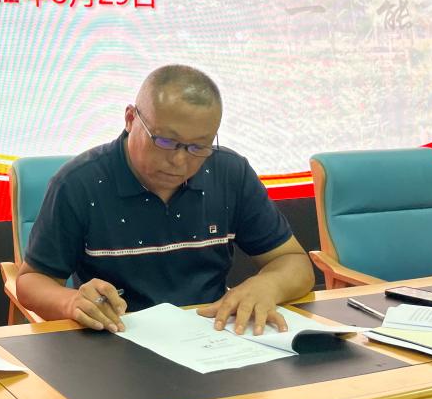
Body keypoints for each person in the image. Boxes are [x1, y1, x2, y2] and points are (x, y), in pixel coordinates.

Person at [16, 65, 314, 336]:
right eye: (166, 142)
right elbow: (32, 282)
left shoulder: (228, 173)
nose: (179, 161)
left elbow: (294, 262)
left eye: (198, 147)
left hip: (212, 335)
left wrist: (267, 285)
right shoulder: (80, 183)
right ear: (131, 119)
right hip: (118, 337)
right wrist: (72, 303)